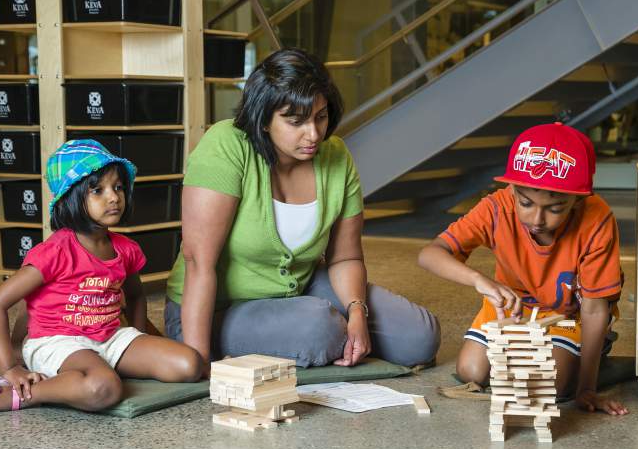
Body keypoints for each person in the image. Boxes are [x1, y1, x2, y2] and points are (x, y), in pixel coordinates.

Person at [165, 48, 440, 369]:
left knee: (418, 337)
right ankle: (306, 334)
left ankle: (317, 331)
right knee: (320, 329)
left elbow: (346, 257)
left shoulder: (336, 155)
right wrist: (197, 361)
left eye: (320, 117)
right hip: (214, 310)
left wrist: (357, 312)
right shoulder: (226, 144)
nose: (313, 134)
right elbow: (198, 263)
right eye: (296, 121)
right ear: (263, 119)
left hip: (299, 291)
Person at [0, 140, 203, 416]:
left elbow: (136, 296)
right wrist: (10, 367)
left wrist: (138, 339)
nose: (114, 197)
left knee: (189, 364)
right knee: (103, 388)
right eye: (98, 191)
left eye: (118, 187)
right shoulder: (55, 251)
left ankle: (84, 376)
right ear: (71, 198)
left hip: (110, 337)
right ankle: (19, 395)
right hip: (58, 341)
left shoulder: (126, 249)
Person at [418, 123, 629, 416]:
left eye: (555, 208)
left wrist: (586, 388)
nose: (537, 219)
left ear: (578, 200)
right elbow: (430, 254)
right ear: (512, 189)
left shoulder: (597, 219)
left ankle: (592, 353)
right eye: (526, 203)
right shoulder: (496, 208)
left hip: (567, 316)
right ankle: (546, 357)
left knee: (550, 385)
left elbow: (594, 309)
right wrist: (478, 280)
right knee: (471, 371)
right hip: (513, 310)